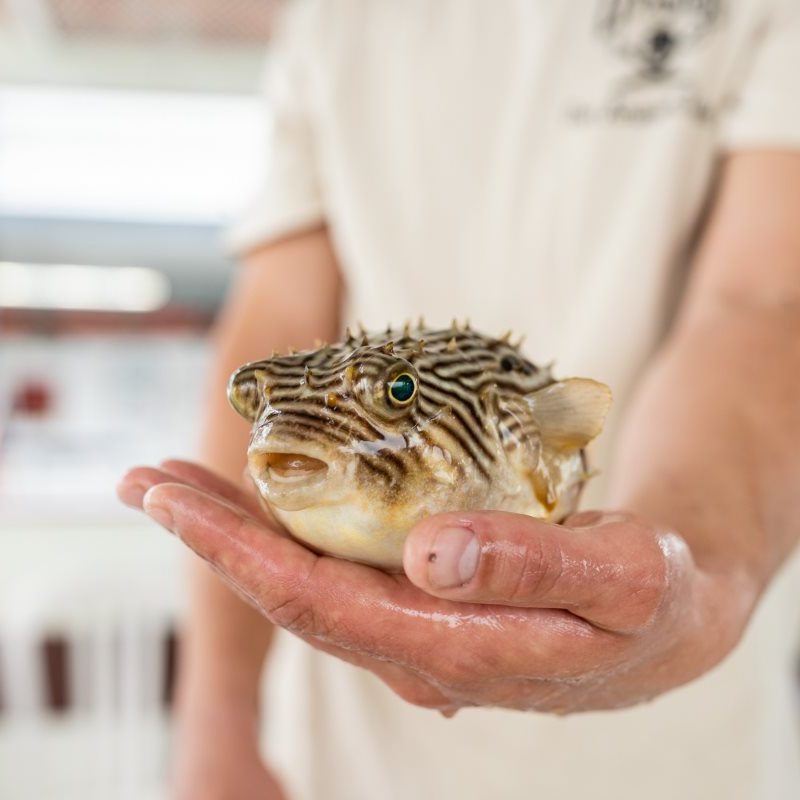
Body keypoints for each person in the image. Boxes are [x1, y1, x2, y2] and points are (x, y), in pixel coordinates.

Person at [118, 1, 800, 798]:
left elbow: (764, 298)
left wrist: (696, 576)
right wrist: (218, 721)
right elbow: (277, 311)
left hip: (671, 750)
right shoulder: (332, 18)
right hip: (342, 748)